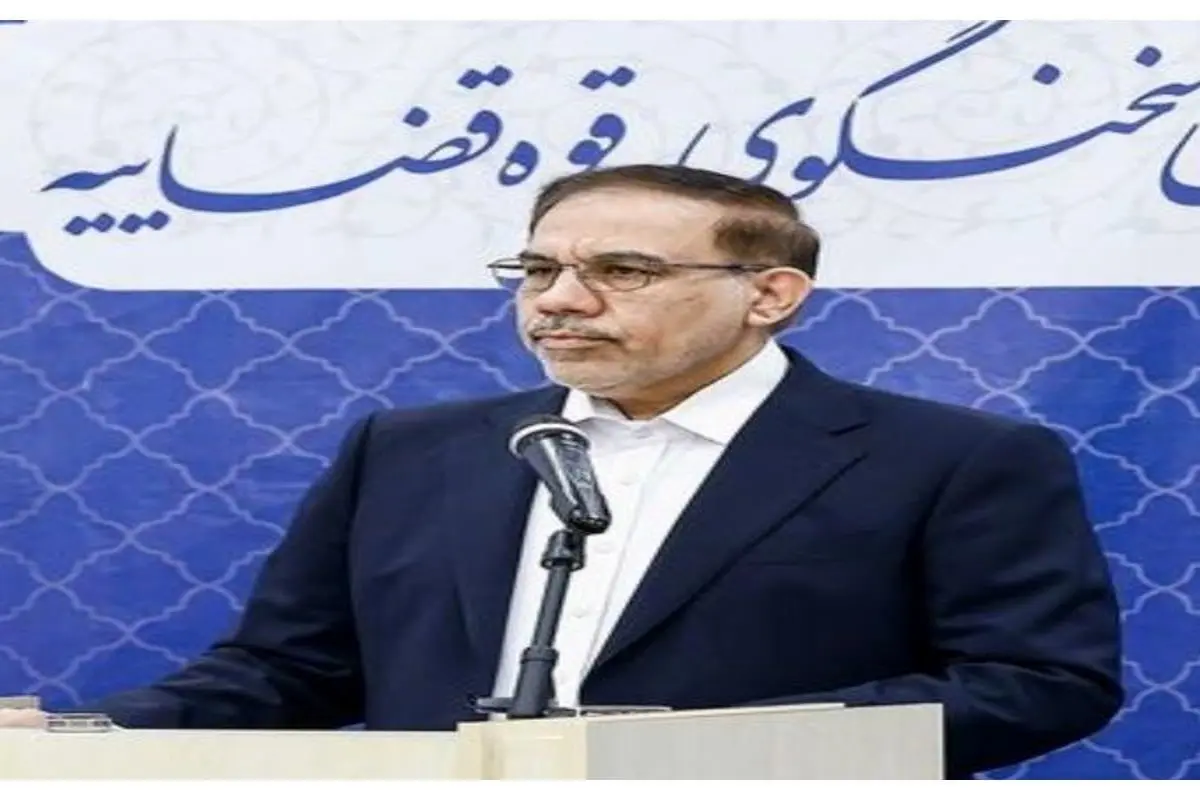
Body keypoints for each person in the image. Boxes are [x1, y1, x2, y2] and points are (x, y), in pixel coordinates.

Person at [0, 164, 1122, 778]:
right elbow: (289, 670)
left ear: (770, 296)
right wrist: (86, 737)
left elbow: (1036, 683)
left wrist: (685, 759)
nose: (560, 300)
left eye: (622, 271)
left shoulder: (951, 460)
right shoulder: (412, 448)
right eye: (538, 269)